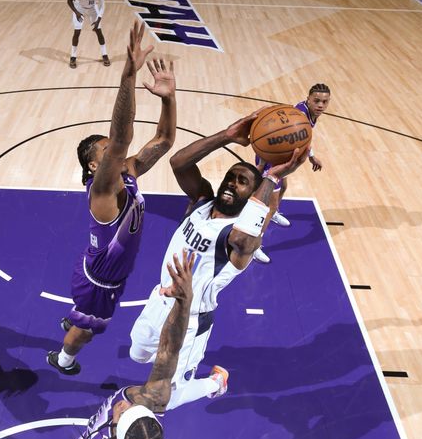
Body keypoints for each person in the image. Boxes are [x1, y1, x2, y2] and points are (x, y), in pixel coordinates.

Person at [128, 110, 309, 410]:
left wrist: (271, 178)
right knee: (137, 354)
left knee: (164, 399)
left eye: (242, 182)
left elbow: (245, 237)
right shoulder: (201, 202)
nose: (231, 183)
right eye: (230, 177)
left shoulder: (238, 237)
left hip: (190, 320)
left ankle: (215, 382)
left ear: (253, 195)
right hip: (158, 300)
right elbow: (178, 163)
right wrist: (226, 135)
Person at [47, 22, 177, 375]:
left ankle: (73, 320)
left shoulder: (128, 172)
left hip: (103, 269)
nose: (116, 153)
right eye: (106, 152)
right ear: (94, 164)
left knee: (86, 318)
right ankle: (63, 359)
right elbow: (121, 136)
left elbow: (165, 139)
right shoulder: (103, 187)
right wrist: (128, 75)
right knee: (88, 329)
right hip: (99, 282)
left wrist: (168, 98)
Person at [51, 250, 199, 439]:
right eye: (131, 409)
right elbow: (169, 351)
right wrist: (184, 302)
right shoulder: (151, 398)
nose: (121, 405)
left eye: (122, 414)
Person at [253, 83, 331, 264]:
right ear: (308, 99)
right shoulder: (301, 115)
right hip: (272, 160)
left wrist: (310, 156)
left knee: (284, 186)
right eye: (317, 101)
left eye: (325, 102)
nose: (320, 105)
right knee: (268, 207)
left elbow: (304, 139)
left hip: (281, 157)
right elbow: (301, 139)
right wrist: (311, 157)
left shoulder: (310, 113)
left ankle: (273, 213)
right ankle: (254, 245)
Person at [67, 0, 109, 69]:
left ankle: (105, 55)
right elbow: (69, 0)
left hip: (92, 9)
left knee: (99, 31)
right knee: (77, 32)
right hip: (79, 8)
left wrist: (98, 19)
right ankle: (73, 57)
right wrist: (76, 13)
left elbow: (103, 5)